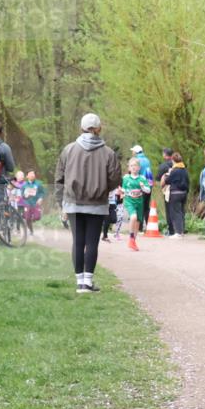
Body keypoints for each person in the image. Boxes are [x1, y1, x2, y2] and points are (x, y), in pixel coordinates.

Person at [55, 113, 121, 293]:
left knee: (78, 241)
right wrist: (103, 188)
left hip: (73, 202)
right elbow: (115, 179)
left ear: (81, 128)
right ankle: (88, 282)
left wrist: (61, 202)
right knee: (92, 242)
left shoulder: (68, 150)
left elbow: (59, 178)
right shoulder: (108, 153)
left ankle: (79, 283)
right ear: (99, 129)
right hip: (98, 203)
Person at [122, 156, 151, 251]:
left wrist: (143, 187)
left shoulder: (142, 178)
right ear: (129, 168)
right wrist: (123, 192)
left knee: (138, 222)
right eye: (132, 166)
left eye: (135, 166)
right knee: (133, 217)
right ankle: (130, 238)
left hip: (139, 202)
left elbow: (148, 190)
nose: (134, 167)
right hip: (129, 201)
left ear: (139, 168)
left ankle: (133, 241)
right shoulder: (126, 178)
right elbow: (123, 189)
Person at [165, 152, 189, 237]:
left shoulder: (174, 170)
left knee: (176, 213)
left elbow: (167, 181)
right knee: (181, 212)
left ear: (173, 160)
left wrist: (168, 174)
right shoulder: (184, 170)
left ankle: (178, 232)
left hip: (175, 193)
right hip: (184, 193)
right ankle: (182, 231)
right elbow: (188, 182)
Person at [19, 170, 45, 236]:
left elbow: (42, 192)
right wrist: (25, 196)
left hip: (35, 203)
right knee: (27, 219)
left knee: (37, 217)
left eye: (33, 174)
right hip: (27, 204)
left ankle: (33, 218)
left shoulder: (38, 184)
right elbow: (22, 195)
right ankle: (31, 230)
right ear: (27, 176)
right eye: (30, 174)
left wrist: (40, 198)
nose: (32, 175)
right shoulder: (24, 185)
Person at [131, 145, 153, 218]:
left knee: (138, 205)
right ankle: (148, 224)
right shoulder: (147, 160)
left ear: (136, 152)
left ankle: (139, 226)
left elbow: (135, 172)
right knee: (146, 205)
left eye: (133, 151)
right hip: (148, 185)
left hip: (140, 184)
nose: (132, 152)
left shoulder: (136, 160)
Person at [157, 147, 175, 236]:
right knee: (178, 210)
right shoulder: (178, 164)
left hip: (167, 190)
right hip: (178, 189)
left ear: (165, 154)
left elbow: (158, 177)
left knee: (169, 210)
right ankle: (180, 230)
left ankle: (171, 230)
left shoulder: (163, 166)